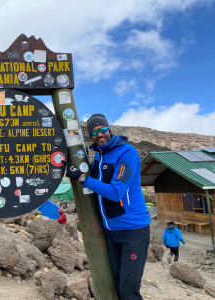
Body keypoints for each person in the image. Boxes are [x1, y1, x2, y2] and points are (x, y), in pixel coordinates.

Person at [62, 113, 151, 300]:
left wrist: (81, 177)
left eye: (102, 129)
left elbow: (116, 192)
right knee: (116, 281)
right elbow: (95, 190)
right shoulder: (99, 157)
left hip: (133, 230)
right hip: (110, 231)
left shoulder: (128, 153)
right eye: (94, 132)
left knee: (129, 288)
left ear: (109, 129)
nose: (99, 134)